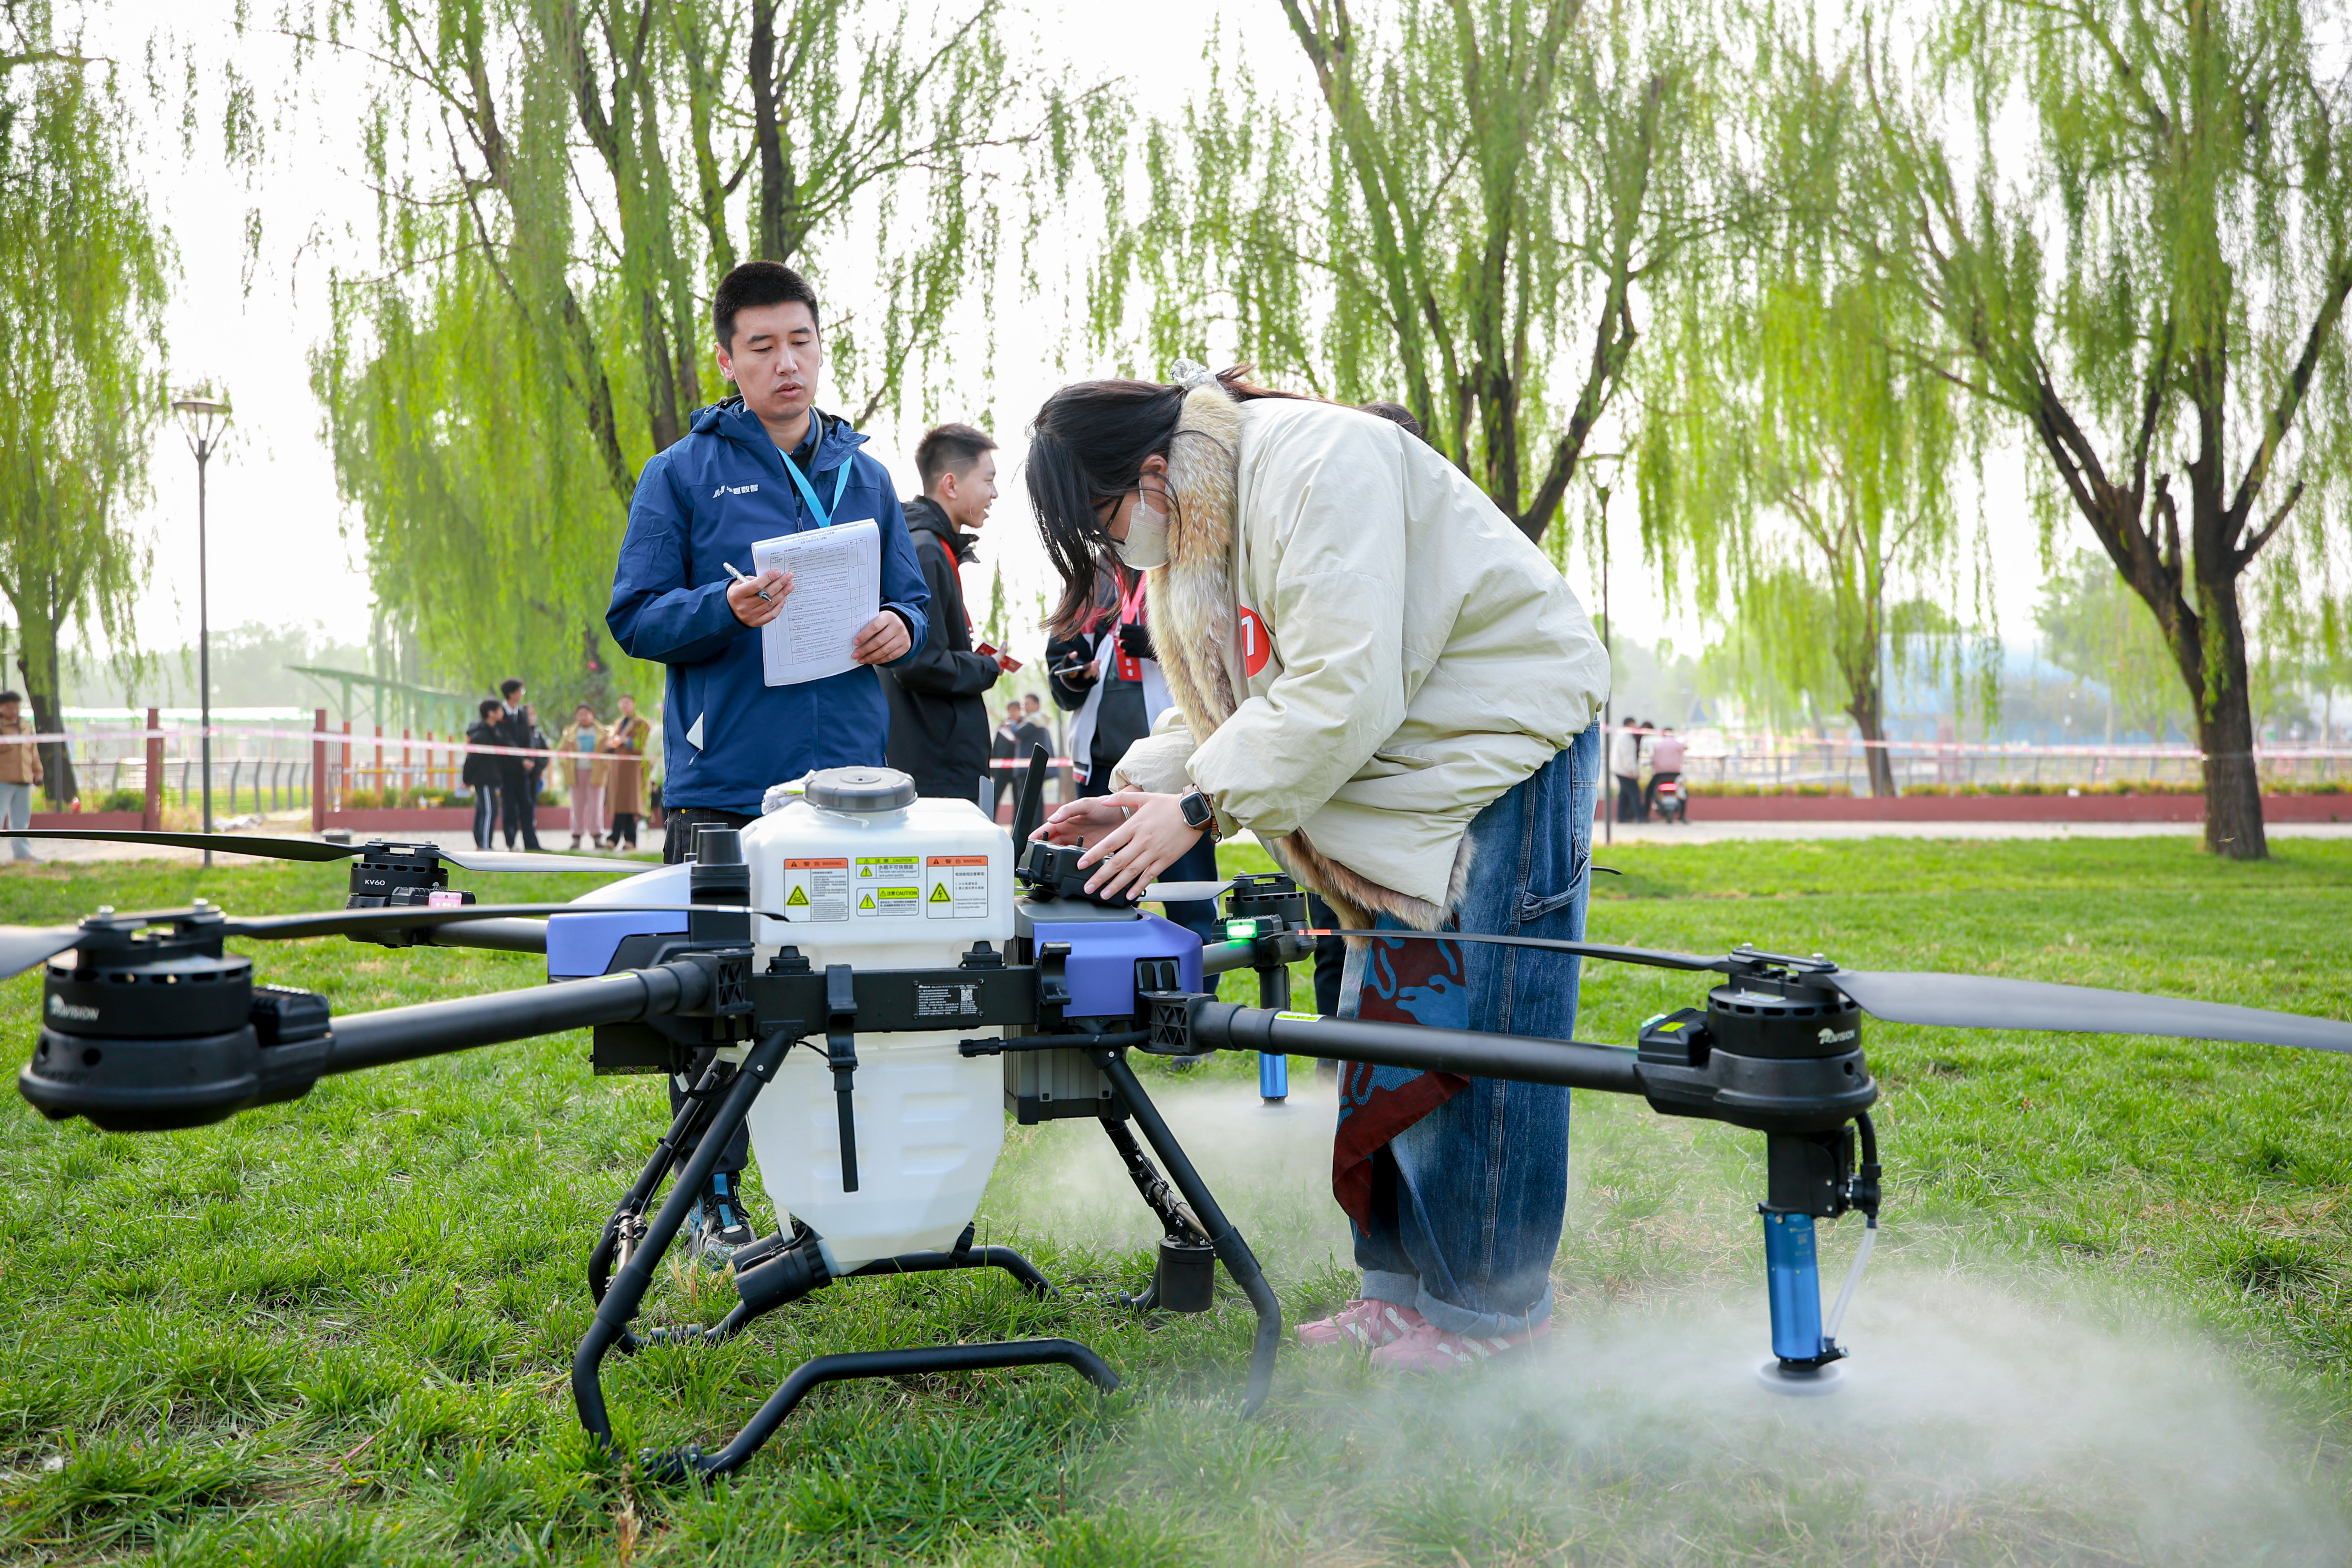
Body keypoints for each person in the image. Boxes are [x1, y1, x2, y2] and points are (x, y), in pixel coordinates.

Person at [1023, 363, 1608, 1369]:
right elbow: (1243, 691)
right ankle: (1405, 1289)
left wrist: (1203, 804)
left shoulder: (1317, 463)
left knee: (1490, 1036)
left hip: (1500, 755)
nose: (1117, 550)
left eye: (1107, 522)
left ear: (1153, 472)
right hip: (1396, 778)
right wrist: (1147, 790)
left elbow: (1343, 679)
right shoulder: (1210, 512)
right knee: (1391, 1031)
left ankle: (1494, 1318)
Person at [606, 259, 929, 1266]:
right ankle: (714, 1199)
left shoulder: (866, 474)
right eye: (762, 346)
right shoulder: (682, 474)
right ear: (728, 359)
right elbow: (635, 615)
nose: (787, 363)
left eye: (801, 340)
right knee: (711, 997)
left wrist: (897, 628)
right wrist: (723, 609)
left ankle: (846, 1181)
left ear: (820, 345)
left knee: (848, 985)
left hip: (850, 788)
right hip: (728, 782)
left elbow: (914, 601)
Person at [1042, 563, 1221, 940]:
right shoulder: (1087, 578)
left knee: (1190, 898)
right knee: (1095, 891)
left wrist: (1161, 647)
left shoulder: (1180, 563)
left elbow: (1218, 650)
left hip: (1172, 762)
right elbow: (1058, 668)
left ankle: (1201, 989)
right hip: (1100, 764)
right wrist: (1071, 675)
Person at [882, 422, 1013, 803]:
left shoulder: (929, 545)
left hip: (934, 756)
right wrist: (988, 667)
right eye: (988, 480)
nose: (995, 493)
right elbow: (917, 663)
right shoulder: (926, 551)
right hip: (934, 765)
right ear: (952, 485)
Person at [494, 681, 546, 851]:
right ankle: (511, 843)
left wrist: (529, 758)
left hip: (524, 771)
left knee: (527, 805)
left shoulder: (522, 714)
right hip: (507, 770)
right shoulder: (500, 715)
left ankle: (531, 843)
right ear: (510, 694)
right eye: (519, 691)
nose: (522, 694)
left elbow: (528, 739)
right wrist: (521, 759)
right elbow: (504, 741)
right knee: (509, 807)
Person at [604, 694, 649, 850]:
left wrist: (627, 741)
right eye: (621, 703)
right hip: (617, 770)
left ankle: (622, 839)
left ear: (634, 704)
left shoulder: (642, 724)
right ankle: (619, 839)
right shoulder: (618, 724)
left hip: (633, 772)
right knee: (620, 804)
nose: (624, 706)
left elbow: (645, 744)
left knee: (629, 805)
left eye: (627, 703)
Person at [0, 691, 41, 862]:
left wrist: (38, 773)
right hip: (3, 779)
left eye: (17, 708)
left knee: (21, 820)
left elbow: (33, 751)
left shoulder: (25, 725)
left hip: (24, 778)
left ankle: (23, 854)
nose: (14, 712)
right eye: (10, 708)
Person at [462, 699, 504, 850]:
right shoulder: (481, 735)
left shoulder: (494, 731)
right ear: (491, 713)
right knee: (489, 812)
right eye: (499, 710)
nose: (502, 713)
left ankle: (483, 844)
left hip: (491, 779)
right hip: (484, 780)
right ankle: (485, 846)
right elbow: (472, 758)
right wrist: (466, 778)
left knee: (485, 810)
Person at [566, 702, 606, 850]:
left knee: (596, 806)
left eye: (586, 714)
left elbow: (608, 753)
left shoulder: (602, 732)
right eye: (580, 714)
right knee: (577, 806)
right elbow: (562, 753)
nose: (583, 717)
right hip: (576, 772)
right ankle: (577, 836)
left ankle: (597, 836)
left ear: (592, 715)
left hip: (595, 772)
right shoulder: (570, 733)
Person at [990, 699, 1025, 816]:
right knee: (995, 798)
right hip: (1002, 769)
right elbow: (996, 748)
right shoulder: (1003, 727)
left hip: (1018, 769)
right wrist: (993, 770)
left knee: (1018, 800)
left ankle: (1016, 829)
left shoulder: (1024, 727)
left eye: (1016, 710)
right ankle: (990, 821)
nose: (1013, 713)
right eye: (1011, 710)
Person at [1645, 724, 1686, 820]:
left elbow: (1653, 757)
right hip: (1676, 774)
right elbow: (1685, 748)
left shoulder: (1658, 745)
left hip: (1660, 775)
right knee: (1683, 793)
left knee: (1649, 793)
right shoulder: (1678, 744)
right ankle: (1682, 816)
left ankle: (1645, 815)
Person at [1611, 716, 1643, 824]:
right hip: (1624, 770)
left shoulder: (1620, 735)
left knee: (1624, 794)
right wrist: (1631, 769)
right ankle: (1639, 816)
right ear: (1630, 724)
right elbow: (1627, 754)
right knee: (1635, 793)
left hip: (1619, 768)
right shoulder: (1626, 736)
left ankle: (1621, 817)